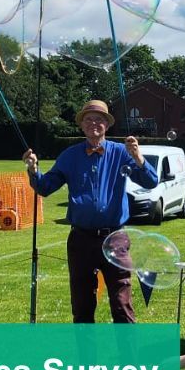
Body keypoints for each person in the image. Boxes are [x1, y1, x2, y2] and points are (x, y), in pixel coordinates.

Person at [22, 99, 157, 324]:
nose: (94, 123)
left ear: (107, 125)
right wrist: (33, 170)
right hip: (81, 240)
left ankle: (128, 359)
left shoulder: (122, 153)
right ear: (82, 125)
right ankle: (86, 359)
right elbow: (45, 187)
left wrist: (138, 157)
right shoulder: (70, 156)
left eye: (99, 119)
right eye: (89, 119)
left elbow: (151, 181)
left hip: (115, 238)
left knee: (121, 304)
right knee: (82, 307)